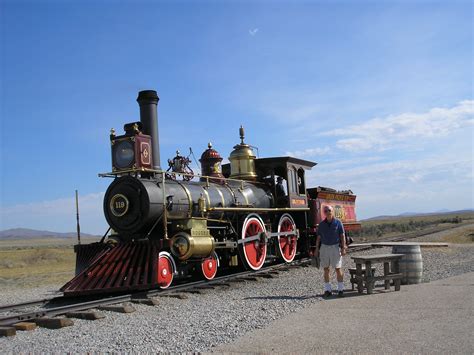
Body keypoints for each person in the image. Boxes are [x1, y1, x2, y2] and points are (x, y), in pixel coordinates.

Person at [315, 205, 347, 297]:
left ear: (332, 211)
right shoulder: (321, 224)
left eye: (329, 210)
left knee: (338, 268)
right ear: (324, 213)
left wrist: (343, 247)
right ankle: (327, 290)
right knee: (326, 269)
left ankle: (340, 289)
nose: (327, 212)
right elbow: (318, 238)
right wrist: (317, 249)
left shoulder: (338, 223)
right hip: (324, 247)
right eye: (325, 211)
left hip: (335, 247)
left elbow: (342, 236)